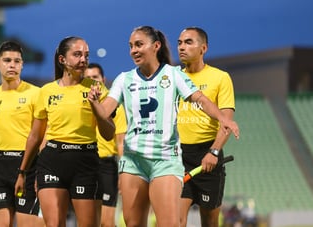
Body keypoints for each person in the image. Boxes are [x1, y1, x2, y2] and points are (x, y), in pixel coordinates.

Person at [87, 25, 239, 227]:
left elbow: (200, 99)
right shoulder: (124, 79)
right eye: (131, 46)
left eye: (139, 44)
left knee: (170, 223)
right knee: (133, 223)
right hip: (133, 161)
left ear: (156, 46)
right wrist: (94, 103)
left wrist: (222, 117)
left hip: (165, 159)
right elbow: (105, 112)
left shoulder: (174, 75)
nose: (134, 50)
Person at [15, 36, 116, 227]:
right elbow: (36, 136)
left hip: (86, 162)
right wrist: (23, 172)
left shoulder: (97, 89)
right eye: (77, 54)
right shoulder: (46, 91)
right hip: (52, 161)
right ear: (62, 59)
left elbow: (109, 133)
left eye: (86, 55)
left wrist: (96, 106)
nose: (83, 60)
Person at [0, 40, 45, 227]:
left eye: (17, 61)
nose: (12, 65)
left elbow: (43, 137)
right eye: (7, 60)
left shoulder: (36, 94)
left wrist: (39, 172)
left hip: (28, 167)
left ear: (22, 64)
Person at [177, 27, 238, 227]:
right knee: (175, 220)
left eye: (188, 42)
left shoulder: (220, 78)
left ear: (203, 48)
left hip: (208, 154)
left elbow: (226, 121)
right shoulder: (174, 77)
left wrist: (213, 151)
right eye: (179, 43)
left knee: (210, 222)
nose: (182, 47)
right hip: (178, 157)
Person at [84, 62, 127, 227]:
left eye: (95, 77)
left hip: (106, 166)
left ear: (103, 79)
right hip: (85, 164)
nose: (91, 81)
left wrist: (123, 173)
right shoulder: (81, 102)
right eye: (87, 78)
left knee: (106, 223)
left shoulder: (114, 104)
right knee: (88, 221)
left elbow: (121, 142)